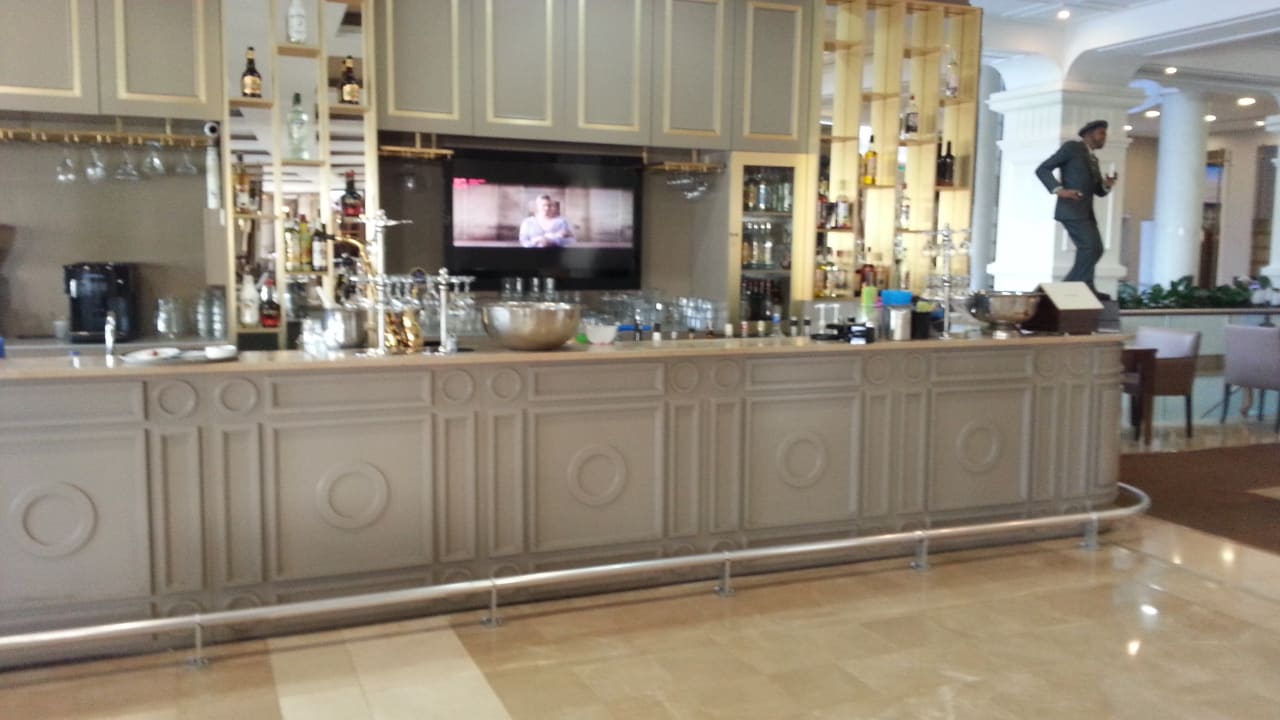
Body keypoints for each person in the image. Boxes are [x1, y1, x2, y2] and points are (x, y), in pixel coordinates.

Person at [1035, 119, 1118, 294]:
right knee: (1089, 248)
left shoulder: (1093, 159)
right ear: (1088, 134)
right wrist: (1059, 190)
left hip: (1086, 212)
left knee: (1095, 249)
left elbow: (1098, 191)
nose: (1105, 137)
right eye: (1101, 133)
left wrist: (1107, 185)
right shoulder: (1072, 148)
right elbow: (1043, 169)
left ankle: (1082, 287)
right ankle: (1071, 289)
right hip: (1071, 209)